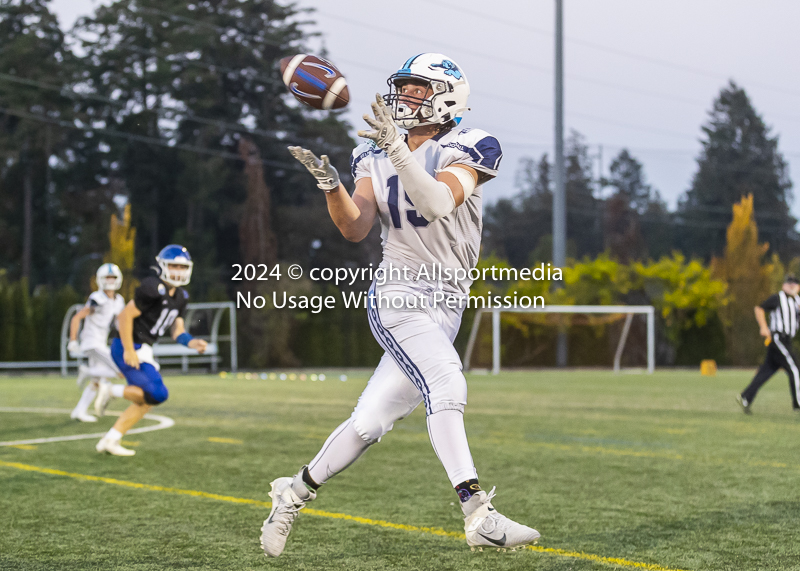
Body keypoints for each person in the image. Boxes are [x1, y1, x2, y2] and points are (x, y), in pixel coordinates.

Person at [261, 53, 539, 557]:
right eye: (404, 89)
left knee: (369, 423)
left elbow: (435, 203)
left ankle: (292, 491)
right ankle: (478, 513)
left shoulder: (472, 143)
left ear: (449, 96)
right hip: (400, 294)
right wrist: (332, 188)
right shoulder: (373, 151)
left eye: (418, 90)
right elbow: (355, 226)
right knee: (447, 382)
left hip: (447, 303)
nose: (406, 98)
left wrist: (396, 148)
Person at [94, 245, 207, 456]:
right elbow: (124, 317)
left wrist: (192, 343)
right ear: (162, 266)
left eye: (182, 267)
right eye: (173, 265)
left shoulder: (182, 296)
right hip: (127, 345)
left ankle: (110, 439)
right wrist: (129, 349)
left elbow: (177, 330)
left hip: (144, 348)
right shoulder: (152, 287)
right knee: (157, 393)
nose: (177, 271)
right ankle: (109, 390)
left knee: (147, 401)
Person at [67, 263, 127, 423]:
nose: (110, 280)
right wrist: (73, 340)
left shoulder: (118, 300)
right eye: (107, 277)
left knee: (97, 380)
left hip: (101, 342)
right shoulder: (97, 298)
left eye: (113, 277)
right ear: (100, 279)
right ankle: (87, 372)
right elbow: (77, 317)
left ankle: (79, 411)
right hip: (92, 342)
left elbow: (119, 324)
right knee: (122, 370)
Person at [738, 274, 800, 414]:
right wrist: (764, 327)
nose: (791, 285)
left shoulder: (797, 301)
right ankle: (798, 402)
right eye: (789, 283)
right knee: (795, 369)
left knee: (766, 371)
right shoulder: (778, 298)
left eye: (794, 283)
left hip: (787, 340)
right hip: (778, 338)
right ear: (784, 285)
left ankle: (746, 398)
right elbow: (759, 309)